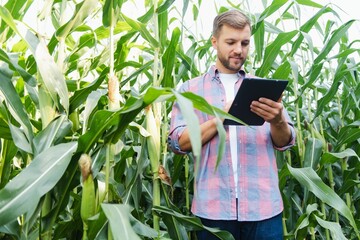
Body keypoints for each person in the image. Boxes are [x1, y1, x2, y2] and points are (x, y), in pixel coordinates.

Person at [167, 9, 296, 240]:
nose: (239, 49)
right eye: (231, 42)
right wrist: (221, 117)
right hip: (213, 209)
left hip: (263, 209)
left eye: (245, 43)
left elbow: (285, 142)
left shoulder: (262, 88)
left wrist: (277, 121)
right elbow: (178, 144)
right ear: (214, 42)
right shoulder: (190, 90)